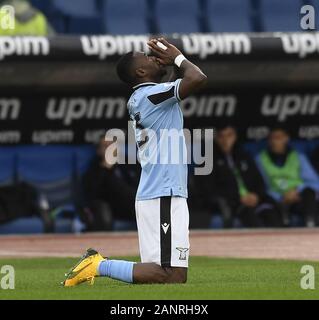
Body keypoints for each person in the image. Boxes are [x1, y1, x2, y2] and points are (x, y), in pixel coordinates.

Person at [62, 37, 207, 286]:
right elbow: (197, 78)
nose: (153, 58)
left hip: (162, 192)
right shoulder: (150, 96)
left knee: (170, 276)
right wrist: (178, 58)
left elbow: (176, 83)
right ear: (140, 71)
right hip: (163, 193)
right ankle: (98, 264)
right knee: (169, 275)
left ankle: (97, 264)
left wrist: (169, 65)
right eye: (147, 57)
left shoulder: (148, 96)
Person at [197, 126, 280, 228]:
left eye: (229, 135)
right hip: (233, 204)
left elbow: (259, 181)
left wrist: (256, 195)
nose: (225, 140)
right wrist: (238, 198)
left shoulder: (244, 155)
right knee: (250, 215)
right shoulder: (207, 159)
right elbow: (208, 190)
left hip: (255, 201)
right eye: (221, 136)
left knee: (270, 213)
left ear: (235, 136)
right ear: (216, 138)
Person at [256, 127, 319, 227]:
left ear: (286, 138)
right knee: (266, 206)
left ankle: (310, 225)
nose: (275, 141)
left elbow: (315, 182)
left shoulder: (298, 156)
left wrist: (296, 191)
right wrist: (282, 197)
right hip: (275, 200)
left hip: (297, 198)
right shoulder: (260, 159)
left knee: (309, 193)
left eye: (278, 137)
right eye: (272, 138)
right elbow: (262, 186)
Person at [81, 136, 138, 231]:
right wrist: (106, 169)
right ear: (99, 151)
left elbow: (137, 184)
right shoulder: (94, 168)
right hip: (111, 208)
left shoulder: (129, 163)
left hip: (131, 205)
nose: (109, 149)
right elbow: (92, 194)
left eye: (111, 145)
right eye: (105, 146)